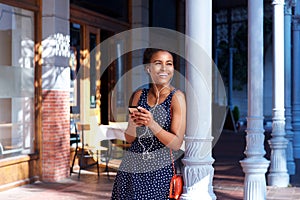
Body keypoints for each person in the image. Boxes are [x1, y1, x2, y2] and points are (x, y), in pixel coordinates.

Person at [111, 48, 186, 199]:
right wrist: (133, 123)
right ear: (148, 68)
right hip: (130, 168)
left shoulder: (176, 97)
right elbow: (130, 138)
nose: (164, 68)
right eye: (158, 63)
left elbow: (176, 143)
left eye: (169, 63)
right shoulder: (139, 95)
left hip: (158, 172)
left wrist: (152, 124)